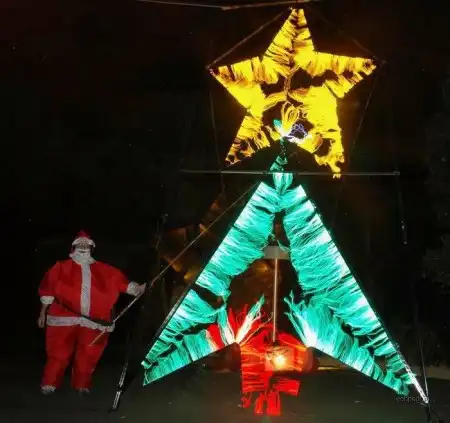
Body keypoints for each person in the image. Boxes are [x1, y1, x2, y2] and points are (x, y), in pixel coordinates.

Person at [37, 230, 146, 395]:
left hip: (94, 320)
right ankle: (49, 383)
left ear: (91, 248)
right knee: (58, 353)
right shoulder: (60, 267)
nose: (83, 246)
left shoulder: (105, 270)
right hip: (62, 317)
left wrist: (138, 288)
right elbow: (47, 290)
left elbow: (124, 284)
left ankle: (82, 384)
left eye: (86, 244)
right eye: (79, 244)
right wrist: (42, 313)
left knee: (89, 353)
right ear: (73, 247)